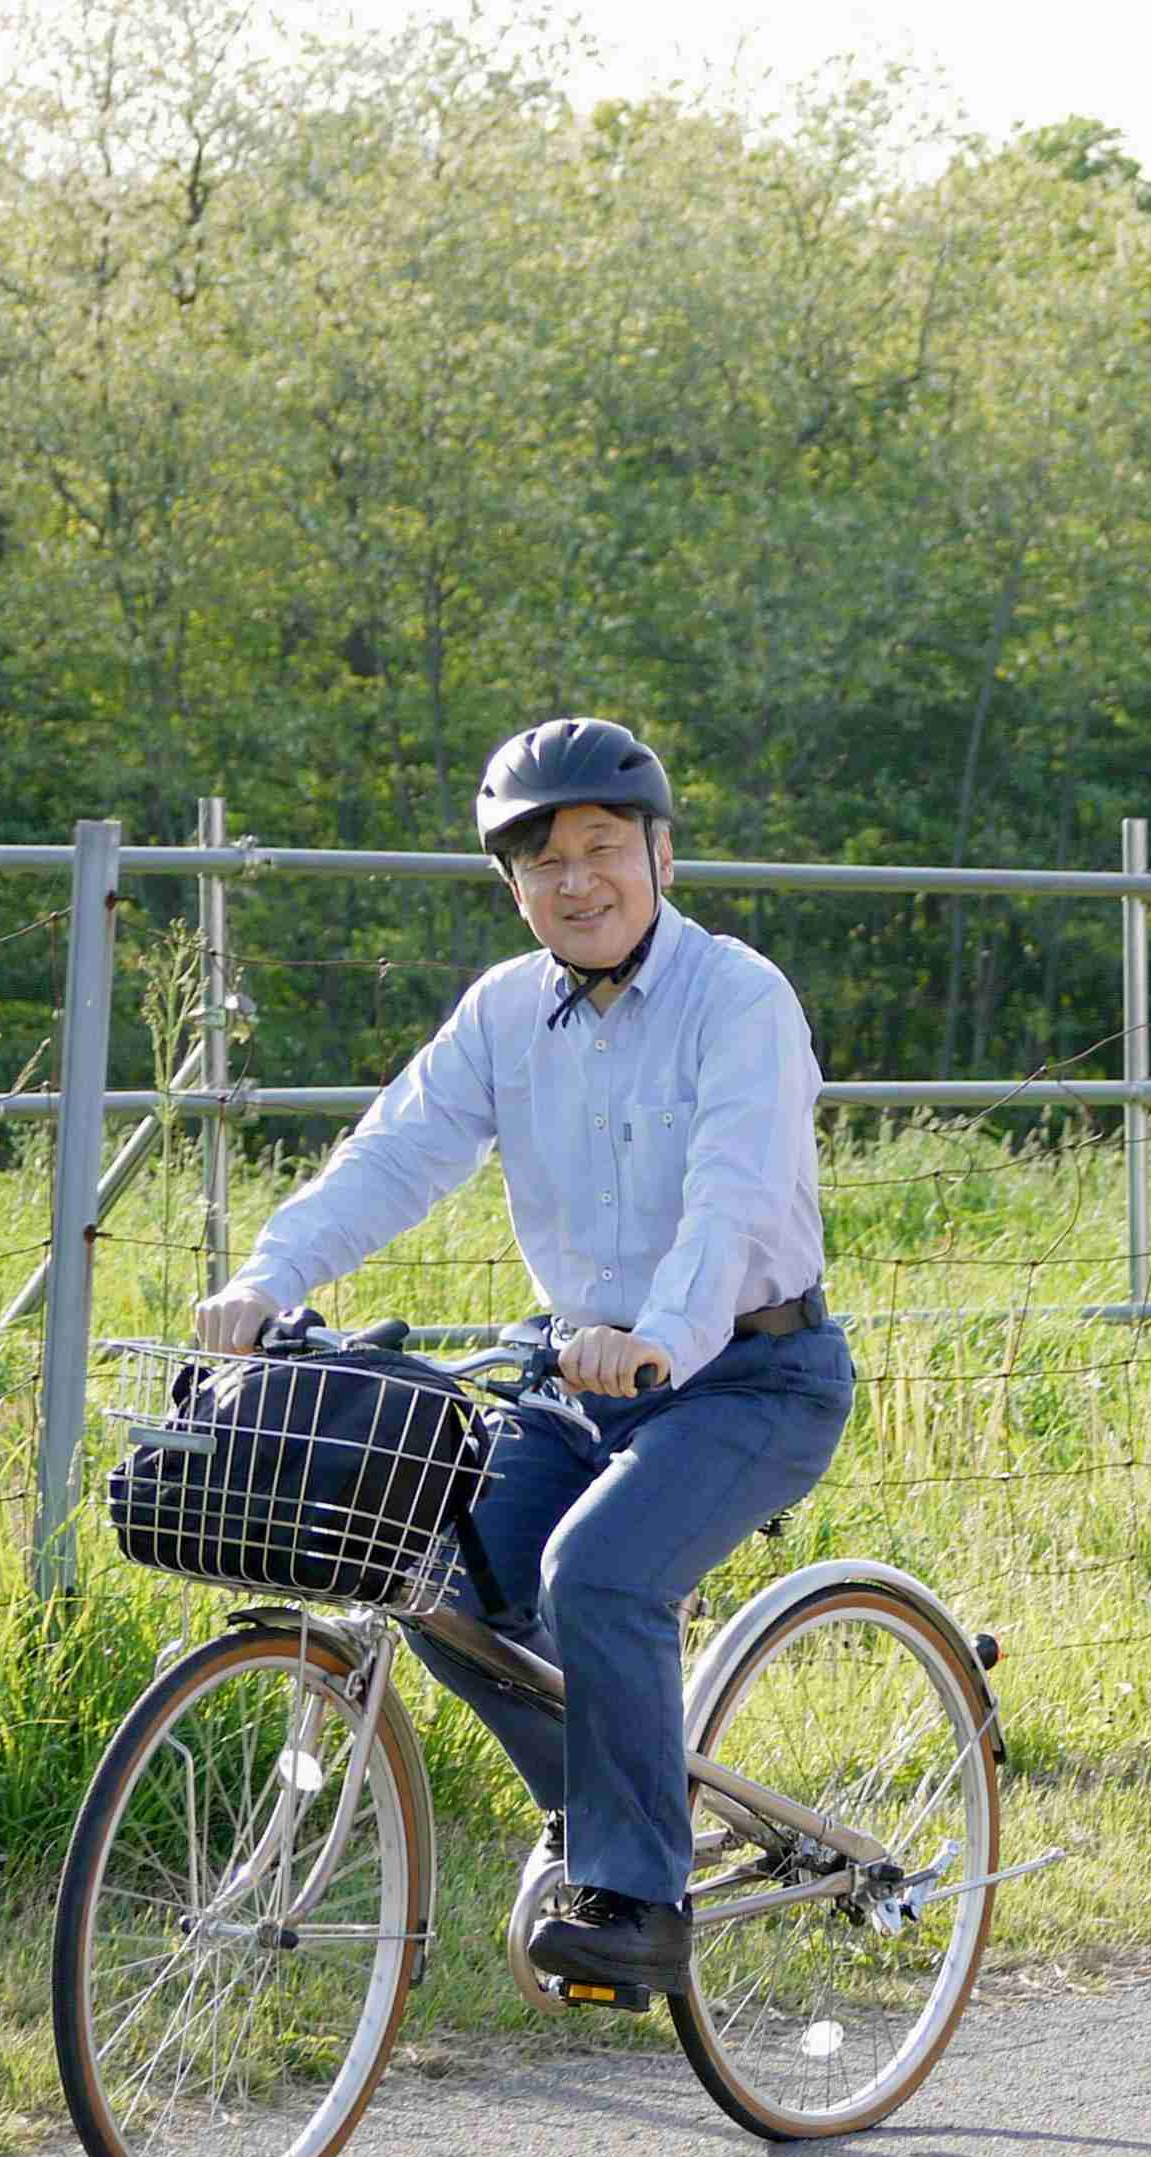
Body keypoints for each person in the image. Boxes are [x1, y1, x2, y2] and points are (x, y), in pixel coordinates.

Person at [195, 717, 850, 1996]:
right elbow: (395, 1151)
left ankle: (639, 1897)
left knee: (597, 1570)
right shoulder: (504, 1010)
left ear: (661, 852)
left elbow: (728, 1201)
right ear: (512, 885)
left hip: (750, 1375)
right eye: (542, 865)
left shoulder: (741, 999)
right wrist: (269, 1275)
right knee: (421, 1558)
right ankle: (601, 1813)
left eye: (603, 848)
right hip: (572, 1376)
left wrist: (660, 1338)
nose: (576, 883)